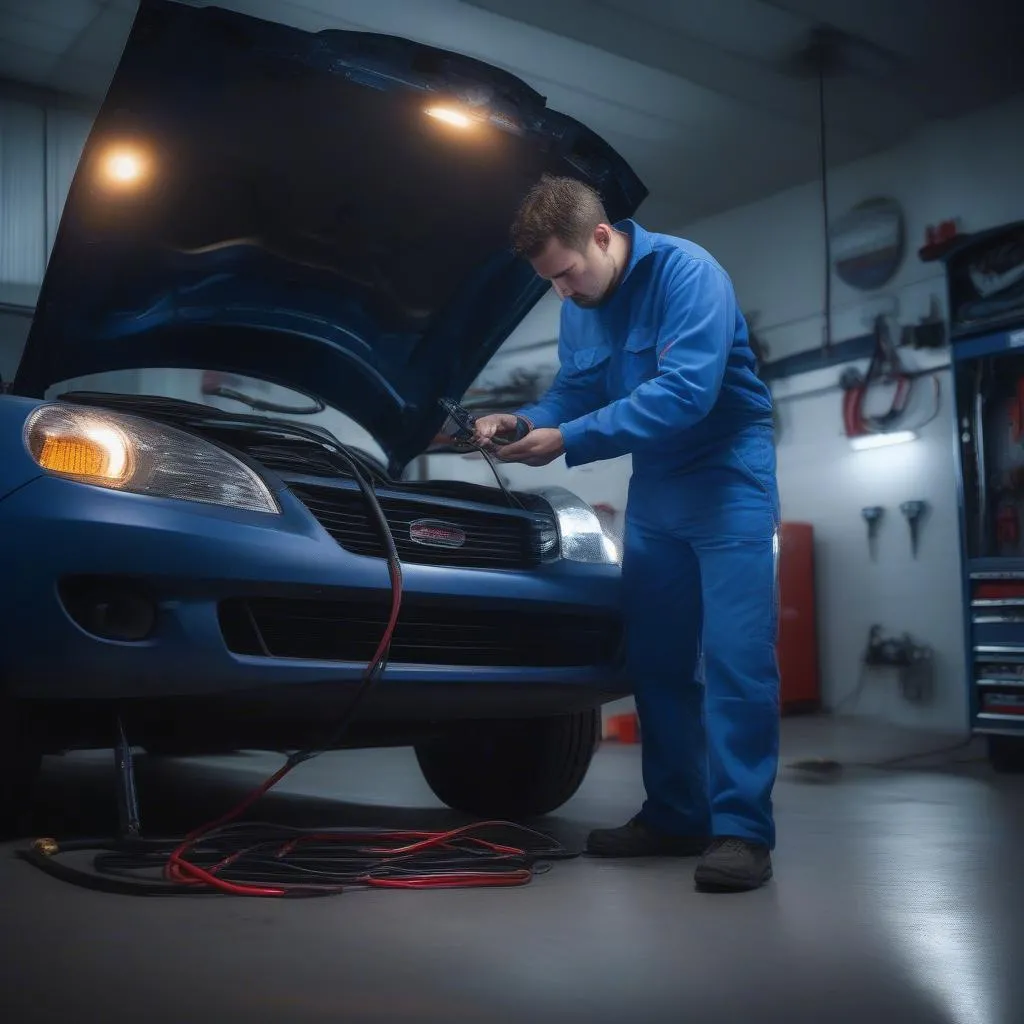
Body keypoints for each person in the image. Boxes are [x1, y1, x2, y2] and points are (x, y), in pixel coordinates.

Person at [473, 174, 781, 893]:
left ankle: (742, 833)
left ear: (603, 236)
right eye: (549, 281)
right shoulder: (581, 302)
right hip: (659, 489)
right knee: (659, 658)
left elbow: (685, 394)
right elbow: (574, 393)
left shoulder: (689, 273)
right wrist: (521, 420)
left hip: (729, 476)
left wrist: (567, 440)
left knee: (737, 659)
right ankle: (677, 815)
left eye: (568, 271)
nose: (563, 291)